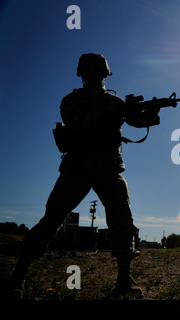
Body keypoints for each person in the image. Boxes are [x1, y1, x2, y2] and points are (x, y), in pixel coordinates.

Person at [7, 53, 161, 299]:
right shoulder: (72, 99)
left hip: (109, 168)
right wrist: (107, 117)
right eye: (87, 71)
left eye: (96, 70)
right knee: (51, 219)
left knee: (123, 222)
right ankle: (18, 276)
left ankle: (124, 280)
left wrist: (151, 113)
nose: (92, 75)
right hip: (77, 167)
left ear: (105, 73)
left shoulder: (116, 102)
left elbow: (138, 121)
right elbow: (75, 120)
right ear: (81, 73)